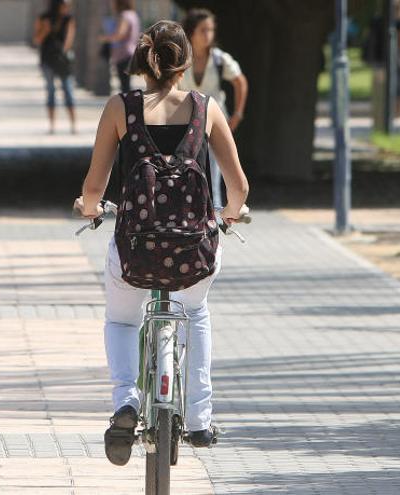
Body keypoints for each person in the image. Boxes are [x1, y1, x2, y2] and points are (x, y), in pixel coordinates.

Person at [74, 20, 249, 465]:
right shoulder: (205, 108)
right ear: (185, 63)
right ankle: (199, 420)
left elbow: (96, 185)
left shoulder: (120, 108)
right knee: (197, 312)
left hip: (135, 253)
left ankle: (125, 404)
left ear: (142, 61)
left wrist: (89, 208)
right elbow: (239, 187)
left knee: (121, 322)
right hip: (194, 254)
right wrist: (230, 215)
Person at [181, 8, 248, 208]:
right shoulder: (181, 58)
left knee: (216, 174)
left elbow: (240, 81)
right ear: (191, 32)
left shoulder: (219, 59)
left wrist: (237, 113)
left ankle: (216, 217)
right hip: (186, 125)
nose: (208, 35)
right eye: (203, 30)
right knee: (185, 173)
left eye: (211, 30)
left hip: (215, 125)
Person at [33, 0, 76, 134]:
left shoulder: (69, 19)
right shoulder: (43, 18)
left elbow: (69, 40)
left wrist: (62, 53)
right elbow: (37, 39)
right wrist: (45, 30)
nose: (67, 6)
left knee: (68, 91)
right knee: (51, 91)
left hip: (62, 61)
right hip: (47, 59)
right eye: (64, 4)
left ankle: (73, 125)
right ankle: (52, 126)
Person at [99, 0, 139, 93]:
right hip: (130, 52)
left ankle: (126, 106)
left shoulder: (124, 15)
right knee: (126, 84)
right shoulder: (133, 15)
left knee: (125, 86)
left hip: (123, 54)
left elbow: (120, 34)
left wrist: (105, 38)